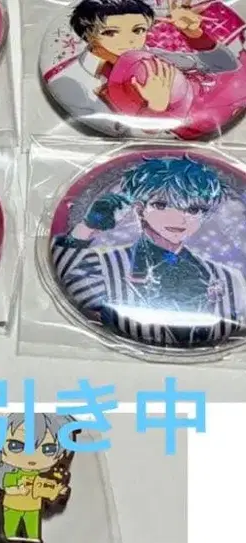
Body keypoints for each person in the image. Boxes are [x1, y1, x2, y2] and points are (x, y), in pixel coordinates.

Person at [52, 155, 246, 347]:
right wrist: (87, 227)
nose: (179, 218)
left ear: (205, 215)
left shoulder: (229, 278)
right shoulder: (104, 266)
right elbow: (67, 274)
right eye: (161, 205)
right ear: (139, 209)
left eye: (194, 209)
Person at [48, 0, 240, 134]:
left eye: (138, 30)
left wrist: (195, 34)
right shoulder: (70, 82)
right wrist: (155, 108)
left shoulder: (153, 57)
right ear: (88, 35)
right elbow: (123, 133)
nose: (129, 40)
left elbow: (224, 64)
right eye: (111, 32)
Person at [0, 413, 75, 543]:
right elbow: (7, 486)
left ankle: (33, 539)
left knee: (32, 523)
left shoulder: (43, 477)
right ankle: (10, 537)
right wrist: (17, 490)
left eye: (48, 449)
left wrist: (57, 491)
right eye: (15, 445)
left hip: (34, 506)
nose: (31, 456)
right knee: (12, 522)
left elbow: (46, 489)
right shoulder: (10, 474)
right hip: (12, 505)